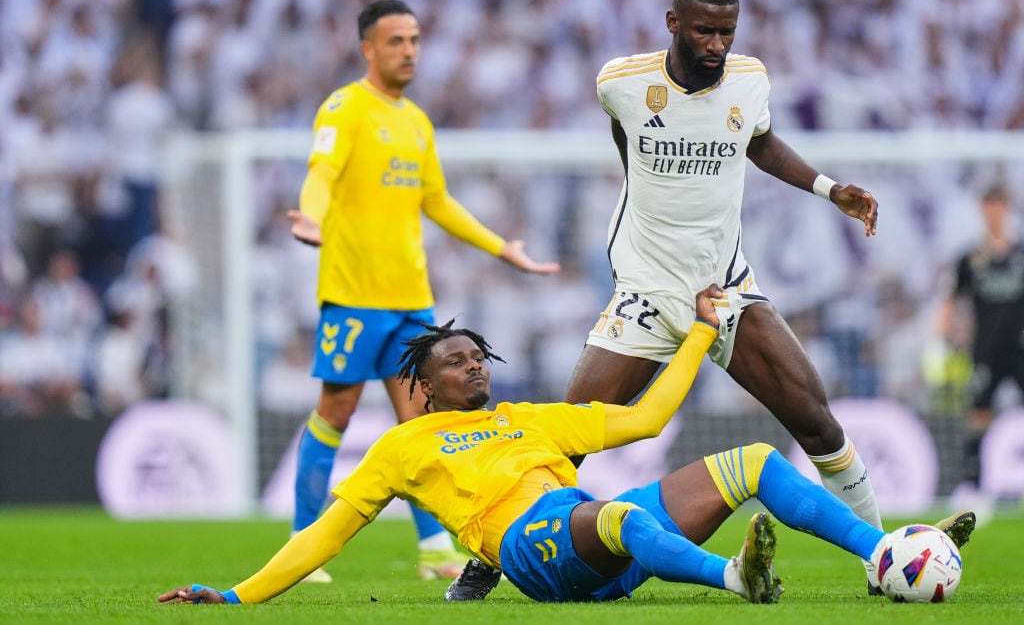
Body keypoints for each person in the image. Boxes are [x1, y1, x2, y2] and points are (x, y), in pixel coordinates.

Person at [447, 0, 969, 599]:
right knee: (568, 438)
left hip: (725, 290)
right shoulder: (622, 82)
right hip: (645, 292)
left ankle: (882, 560)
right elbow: (628, 144)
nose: (718, 45)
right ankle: (490, 558)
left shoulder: (749, 80)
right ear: (674, 24)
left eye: (727, 31)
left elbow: (763, 144)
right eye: (705, 31)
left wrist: (830, 190)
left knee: (816, 419)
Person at [157, 286, 960, 607]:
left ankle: (882, 548)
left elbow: (644, 421)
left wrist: (702, 333)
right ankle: (735, 578)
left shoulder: (537, 417)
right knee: (606, 513)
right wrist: (237, 595)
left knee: (751, 463)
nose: (474, 365)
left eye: (478, 355)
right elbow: (324, 534)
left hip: (597, 535)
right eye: (455, 361)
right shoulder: (406, 446)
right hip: (530, 548)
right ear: (426, 385)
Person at [284, 0, 559, 583]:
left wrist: (500, 247)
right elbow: (321, 175)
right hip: (354, 296)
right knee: (336, 409)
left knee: (423, 421)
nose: (408, 50)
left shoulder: (416, 121)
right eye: (395, 41)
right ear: (368, 49)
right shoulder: (345, 108)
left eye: (414, 40)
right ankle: (304, 542)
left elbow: (436, 201)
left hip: (412, 299)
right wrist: (310, 218)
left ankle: (436, 546)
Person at [936, 183, 1024, 504]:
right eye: (988, 206)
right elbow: (951, 298)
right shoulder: (970, 259)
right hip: (986, 349)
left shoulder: (1021, 254)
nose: (994, 213)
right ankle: (973, 487)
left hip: (1020, 347)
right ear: (982, 210)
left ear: (1007, 209)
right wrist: (944, 334)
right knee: (978, 415)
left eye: (999, 206)